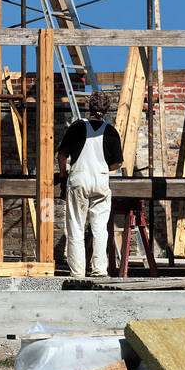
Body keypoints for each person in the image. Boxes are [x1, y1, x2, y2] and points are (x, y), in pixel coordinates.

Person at [57, 89, 123, 278]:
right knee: (100, 228)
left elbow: (62, 154)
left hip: (79, 179)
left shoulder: (77, 127)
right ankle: (100, 269)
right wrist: (101, 167)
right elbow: (118, 163)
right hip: (101, 180)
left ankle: (78, 272)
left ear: (89, 108)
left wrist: (63, 173)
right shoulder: (110, 131)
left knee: (76, 227)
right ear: (107, 110)